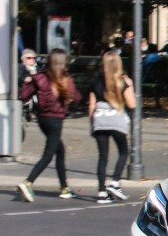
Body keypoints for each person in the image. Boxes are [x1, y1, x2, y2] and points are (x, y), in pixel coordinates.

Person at [17, 48, 81, 201]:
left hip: (42, 119)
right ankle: (28, 182)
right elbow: (77, 98)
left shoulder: (39, 77)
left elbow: (23, 95)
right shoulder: (65, 79)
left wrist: (30, 82)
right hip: (56, 120)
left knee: (60, 151)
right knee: (48, 154)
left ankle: (64, 188)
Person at [87, 51, 135, 204]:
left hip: (99, 119)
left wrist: (92, 124)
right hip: (116, 119)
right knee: (123, 151)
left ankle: (101, 192)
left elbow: (91, 105)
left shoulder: (96, 82)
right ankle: (115, 182)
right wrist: (131, 86)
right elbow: (132, 104)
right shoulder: (122, 82)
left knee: (103, 156)